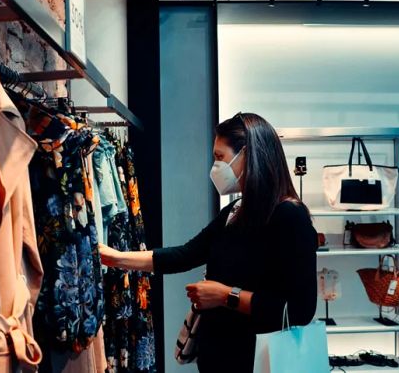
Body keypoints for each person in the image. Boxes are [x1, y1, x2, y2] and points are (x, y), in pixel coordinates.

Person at [100, 112, 317, 372]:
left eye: (220, 157)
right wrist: (113, 257)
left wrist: (226, 296)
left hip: (259, 362)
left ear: (247, 155)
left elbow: (300, 310)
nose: (215, 167)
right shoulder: (236, 211)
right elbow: (186, 254)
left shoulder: (290, 216)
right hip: (219, 358)